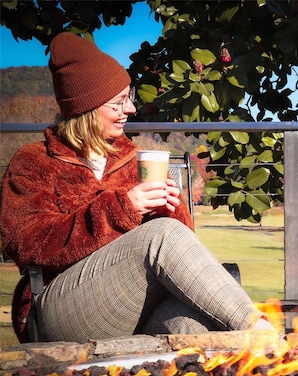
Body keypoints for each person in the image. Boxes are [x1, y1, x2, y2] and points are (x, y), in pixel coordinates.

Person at [0, 32, 274, 344]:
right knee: (161, 237)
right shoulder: (35, 161)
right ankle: (265, 336)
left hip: (132, 309)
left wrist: (171, 211)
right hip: (60, 307)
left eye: (129, 98)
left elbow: (176, 250)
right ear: (87, 108)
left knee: (194, 321)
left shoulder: (132, 160)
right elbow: (26, 244)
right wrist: (121, 209)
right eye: (119, 103)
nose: (130, 109)